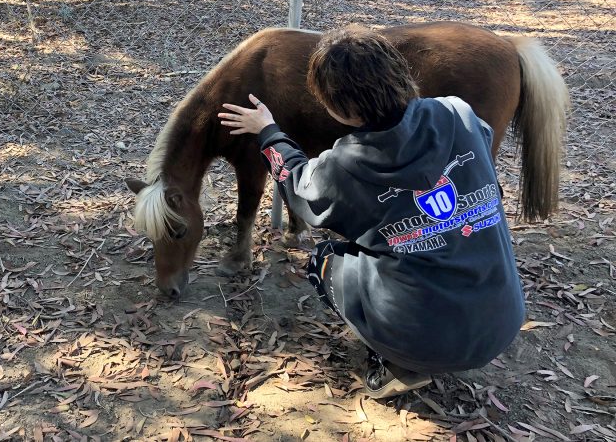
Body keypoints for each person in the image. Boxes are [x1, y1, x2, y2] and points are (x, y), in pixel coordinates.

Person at [217, 26, 525, 399]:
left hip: (424, 341)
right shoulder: (458, 113)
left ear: (338, 110)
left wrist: (267, 131)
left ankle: (395, 363)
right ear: (402, 73)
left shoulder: (347, 165)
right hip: (503, 322)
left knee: (324, 260)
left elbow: (297, 184)